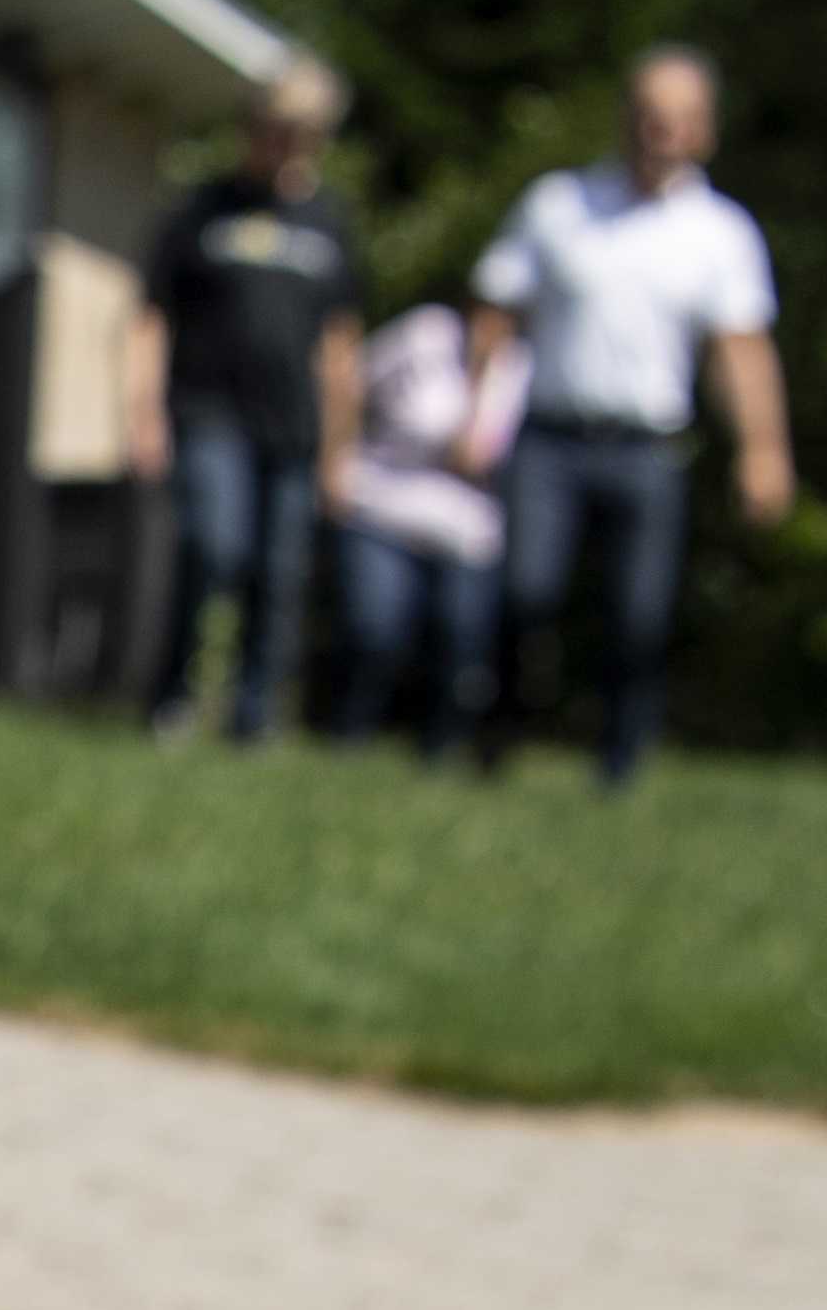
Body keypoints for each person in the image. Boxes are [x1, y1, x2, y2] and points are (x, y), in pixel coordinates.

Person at [459, 49, 792, 784]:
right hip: (549, 440)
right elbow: (495, 313)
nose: (660, 132)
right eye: (648, 114)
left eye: (677, 119)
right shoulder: (558, 204)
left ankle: (619, 764)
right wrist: (472, 414)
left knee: (638, 616)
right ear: (625, 118)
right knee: (525, 593)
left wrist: (763, 449)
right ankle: (498, 740)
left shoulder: (721, 233)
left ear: (703, 130)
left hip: (649, 449)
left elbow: (740, 352)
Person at [126, 55, 367, 743]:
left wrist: (340, 448)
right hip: (208, 413)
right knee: (212, 545)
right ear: (251, 126)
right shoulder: (199, 212)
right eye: (276, 128)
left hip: (293, 427)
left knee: (277, 578)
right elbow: (150, 318)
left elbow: (341, 344)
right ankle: (172, 698)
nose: (288, 144)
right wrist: (142, 413)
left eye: (304, 132)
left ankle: (252, 722)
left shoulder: (329, 223)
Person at [325, 304, 521, 753]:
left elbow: (471, 455)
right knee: (374, 627)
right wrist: (336, 457)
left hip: (464, 530)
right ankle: (350, 736)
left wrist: (480, 379)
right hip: (379, 503)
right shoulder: (424, 333)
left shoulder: (515, 371)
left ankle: (441, 748)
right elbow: (351, 382)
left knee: (460, 637)